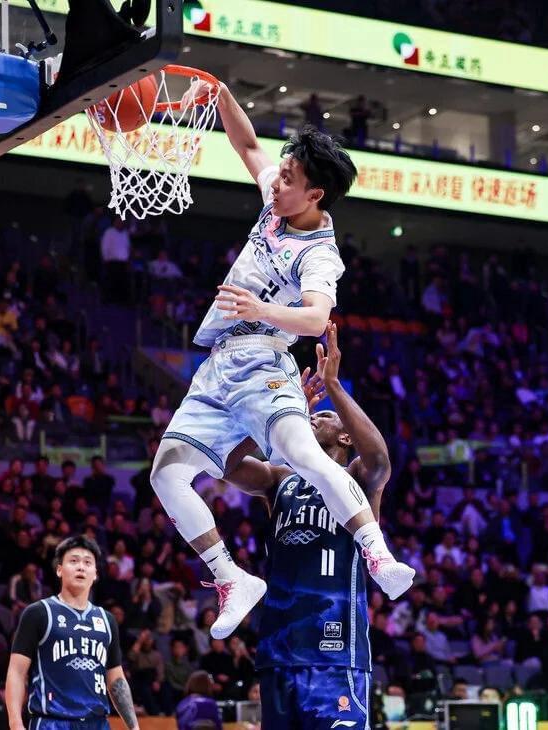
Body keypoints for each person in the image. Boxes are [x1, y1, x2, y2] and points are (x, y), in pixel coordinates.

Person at [151, 76, 410, 640]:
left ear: (315, 194)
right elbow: (247, 145)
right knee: (166, 472)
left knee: (303, 453)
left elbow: (316, 319)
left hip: (263, 360)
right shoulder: (278, 200)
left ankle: (377, 554)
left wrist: (260, 308)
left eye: (289, 178)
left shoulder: (320, 255)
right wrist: (220, 94)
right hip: (217, 366)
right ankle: (232, 579)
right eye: (283, 170)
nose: (277, 180)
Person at [220, 323, 388, 730]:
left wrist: (334, 386)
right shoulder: (279, 479)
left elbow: (380, 459)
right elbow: (224, 463)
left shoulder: (357, 478)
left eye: (324, 415)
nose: (314, 416)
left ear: (345, 437)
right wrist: (280, 414)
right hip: (279, 650)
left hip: (336, 650)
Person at [4, 536, 140, 730]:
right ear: (59, 570)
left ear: (95, 574)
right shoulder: (39, 613)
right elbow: (17, 672)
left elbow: (116, 678)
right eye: (74, 561)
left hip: (97, 723)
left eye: (87, 562)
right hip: (52, 722)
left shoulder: (107, 620)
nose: (81, 567)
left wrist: (134, 727)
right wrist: (16, 723)